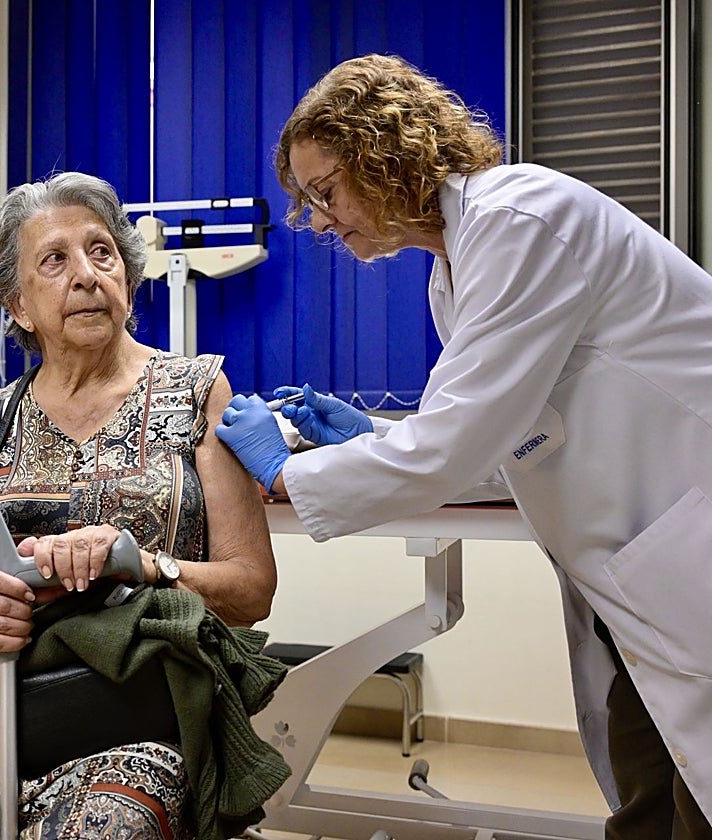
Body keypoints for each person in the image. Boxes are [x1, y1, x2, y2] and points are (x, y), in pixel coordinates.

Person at [215, 53, 712, 838]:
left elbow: (455, 442)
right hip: (641, 576)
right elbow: (499, 443)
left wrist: (285, 472)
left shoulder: (518, 219)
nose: (317, 221)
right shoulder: (454, 270)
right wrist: (370, 434)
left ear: (384, 154)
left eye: (324, 191)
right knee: (651, 798)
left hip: (683, 542)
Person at [0, 171, 285, 840]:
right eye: (54, 261)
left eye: (101, 252)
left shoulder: (198, 390)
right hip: (3, 704)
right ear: (18, 305)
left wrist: (139, 565)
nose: (86, 275)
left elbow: (252, 588)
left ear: (127, 274)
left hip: (139, 706)